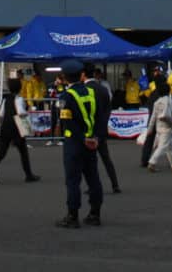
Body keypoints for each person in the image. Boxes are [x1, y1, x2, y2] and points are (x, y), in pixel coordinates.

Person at [54, 59, 103, 228]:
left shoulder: (67, 96)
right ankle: (95, 214)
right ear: (81, 75)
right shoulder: (91, 92)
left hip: (74, 143)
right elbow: (98, 117)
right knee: (93, 178)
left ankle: (72, 215)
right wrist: (94, 137)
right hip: (91, 141)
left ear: (65, 78)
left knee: (73, 180)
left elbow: (68, 123)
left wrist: (82, 139)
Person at [0, 85, 39, 184]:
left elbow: (1, 113)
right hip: (16, 127)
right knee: (23, 152)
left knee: (1, 152)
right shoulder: (19, 99)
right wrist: (28, 115)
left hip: (5, 126)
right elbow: (20, 112)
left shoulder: (6, 99)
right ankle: (28, 174)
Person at [89, 66, 121, 193]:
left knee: (91, 160)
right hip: (101, 128)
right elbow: (108, 107)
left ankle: (93, 186)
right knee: (106, 159)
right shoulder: (103, 89)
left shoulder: (86, 90)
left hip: (90, 129)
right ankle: (115, 184)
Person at [146, 80, 172, 172]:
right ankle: (152, 162)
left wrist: (150, 128)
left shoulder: (157, 102)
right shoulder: (170, 101)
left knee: (170, 146)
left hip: (158, 127)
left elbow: (153, 117)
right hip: (168, 127)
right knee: (163, 146)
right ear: (169, 91)